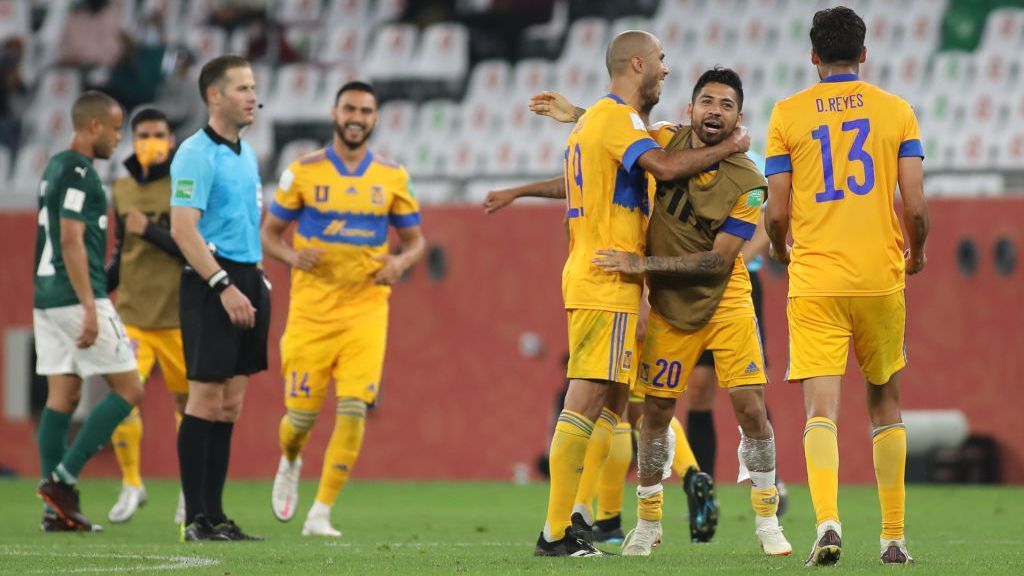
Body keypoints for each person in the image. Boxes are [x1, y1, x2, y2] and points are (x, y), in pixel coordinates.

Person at [536, 67, 791, 557]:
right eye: (707, 102)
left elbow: (718, 260)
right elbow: (614, 134)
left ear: (739, 116)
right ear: (690, 109)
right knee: (654, 412)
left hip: (727, 299)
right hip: (670, 302)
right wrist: (576, 115)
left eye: (726, 105)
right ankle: (648, 523)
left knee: (750, 407)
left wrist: (641, 263)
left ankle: (765, 517)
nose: (715, 111)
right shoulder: (664, 140)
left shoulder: (750, 180)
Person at [764, 6, 928, 567]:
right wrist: (920, 250)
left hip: (816, 279)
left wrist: (780, 248)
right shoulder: (897, 112)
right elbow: (917, 206)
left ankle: (828, 522)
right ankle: (894, 538)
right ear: (863, 54)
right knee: (885, 403)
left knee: (821, 411)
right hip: (881, 277)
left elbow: (777, 211)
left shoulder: (787, 114)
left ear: (813, 56)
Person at [264, 81, 425, 537]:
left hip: (367, 308)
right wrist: (291, 256)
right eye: (350, 108)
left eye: (366, 110)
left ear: (375, 118)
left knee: (353, 408)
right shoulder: (303, 171)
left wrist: (399, 262)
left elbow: (416, 242)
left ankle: (320, 513)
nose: (357, 117)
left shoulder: (392, 176)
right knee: (300, 421)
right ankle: (291, 459)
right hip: (311, 312)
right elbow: (269, 233)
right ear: (335, 113)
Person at [33, 90, 143, 532]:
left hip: (45, 297)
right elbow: (72, 239)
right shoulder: (80, 171)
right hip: (75, 295)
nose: (119, 138)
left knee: (63, 397)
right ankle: (61, 480)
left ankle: (55, 512)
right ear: (93, 126)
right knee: (130, 390)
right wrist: (89, 305)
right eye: (116, 129)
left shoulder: (55, 166)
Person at [169, 53, 269, 542]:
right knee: (205, 400)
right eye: (242, 88)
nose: (253, 96)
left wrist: (253, 280)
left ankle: (217, 515)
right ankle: (195, 520)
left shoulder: (245, 152)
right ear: (214, 95)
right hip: (213, 284)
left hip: (248, 278)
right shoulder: (194, 152)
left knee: (230, 404)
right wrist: (223, 285)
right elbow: (183, 229)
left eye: (253, 88)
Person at [105, 107, 189, 524]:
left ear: (172, 140)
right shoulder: (120, 189)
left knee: (189, 405)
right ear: (132, 139)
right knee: (122, 400)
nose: (151, 140)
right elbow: (123, 252)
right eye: (143, 134)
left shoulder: (183, 186)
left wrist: (151, 230)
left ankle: (190, 492)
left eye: (159, 133)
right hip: (133, 312)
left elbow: (193, 248)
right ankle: (131, 482)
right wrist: (98, 292)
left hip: (177, 315)